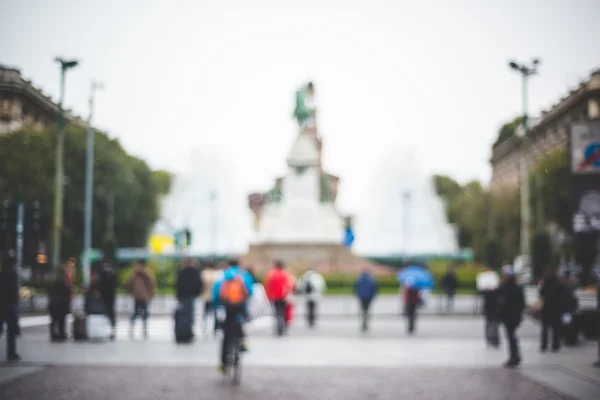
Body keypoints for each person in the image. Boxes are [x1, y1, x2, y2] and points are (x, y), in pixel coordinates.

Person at [212, 259, 254, 373]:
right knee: (241, 324)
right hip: (240, 308)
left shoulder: (222, 276)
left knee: (226, 335)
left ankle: (224, 363)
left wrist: (217, 306)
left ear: (228, 264)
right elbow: (250, 292)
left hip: (226, 308)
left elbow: (216, 295)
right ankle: (242, 341)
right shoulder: (244, 275)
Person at [497, 265, 526, 368]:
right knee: (512, 336)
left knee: (511, 336)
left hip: (508, 316)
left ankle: (514, 357)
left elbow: (500, 301)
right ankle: (515, 356)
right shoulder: (517, 287)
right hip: (515, 315)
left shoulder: (505, 287)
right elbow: (522, 303)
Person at [125, 260, 155, 339]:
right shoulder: (135, 274)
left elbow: (151, 285)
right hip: (137, 297)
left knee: (145, 313)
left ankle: (144, 328)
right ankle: (132, 327)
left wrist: (151, 295)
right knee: (135, 313)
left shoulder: (147, 274)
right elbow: (128, 284)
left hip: (145, 297)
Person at [538, 268, 565, 352]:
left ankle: (544, 345)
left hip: (547, 308)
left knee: (545, 328)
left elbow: (541, 293)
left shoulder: (545, 282)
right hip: (555, 309)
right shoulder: (558, 283)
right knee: (555, 328)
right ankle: (555, 345)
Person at [0, 254, 20, 361]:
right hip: (10, 306)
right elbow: (14, 291)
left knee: (6, 330)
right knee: (11, 332)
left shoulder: (2, 275)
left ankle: (12, 353)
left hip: (3, 305)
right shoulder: (13, 275)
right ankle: (11, 353)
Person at [264, 260, 292, 332]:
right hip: (284, 297)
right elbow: (290, 285)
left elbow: (267, 286)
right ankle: (283, 325)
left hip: (274, 297)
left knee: (277, 312)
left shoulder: (271, 274)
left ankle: (279, 325)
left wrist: (268, 296)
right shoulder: (286, 274)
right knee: (284, 311)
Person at [48, 262, 73, 342]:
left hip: (53, 303)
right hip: (61, 304)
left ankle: (53, 335)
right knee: (61, 321)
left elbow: (49, 292)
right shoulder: (63, 280)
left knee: (54, 320)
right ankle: (61, 334)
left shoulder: (53, 280)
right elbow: (67, 292)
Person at [175, 258, 203, 329]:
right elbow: (199, 284)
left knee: (184, 312)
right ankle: (189, 327)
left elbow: (178, 285)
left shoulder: (182, 272)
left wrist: (178, 296)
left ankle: (184, 327)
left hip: (183, 296)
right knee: (191, 312)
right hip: (192, 295)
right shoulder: (196, 272)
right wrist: (197, 293)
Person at [96, 258, 117, 340]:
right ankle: (112, 330)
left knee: (104, 314)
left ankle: (105, 330)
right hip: (110, 297)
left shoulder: (102, 273)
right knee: (110, 314)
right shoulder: (112, 273)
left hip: (103, 297)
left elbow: (99, 285)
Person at [201, 262, 219, 336]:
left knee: (205, 313)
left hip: (206, 296)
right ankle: (215, 329)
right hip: (215, 296)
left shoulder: (204, 273)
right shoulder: (216, 274)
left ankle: (204, 328)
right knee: (215, 313)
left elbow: (201, 285)